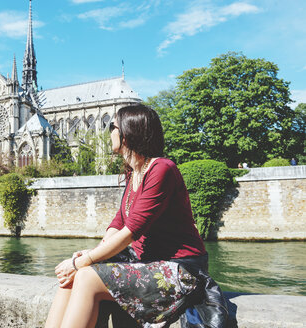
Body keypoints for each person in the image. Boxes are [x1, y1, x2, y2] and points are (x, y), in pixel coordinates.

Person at [45, 104, 227, 328]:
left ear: (128, 133)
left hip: (182, 270)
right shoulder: (134, 174)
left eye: (112, 126)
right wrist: (89, 256)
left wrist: (84, 261)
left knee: (84, 274)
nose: (109, 131)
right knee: (72, 276)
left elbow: (132, 231)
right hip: (148, 263)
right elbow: (118, 223)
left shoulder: (162, 168)